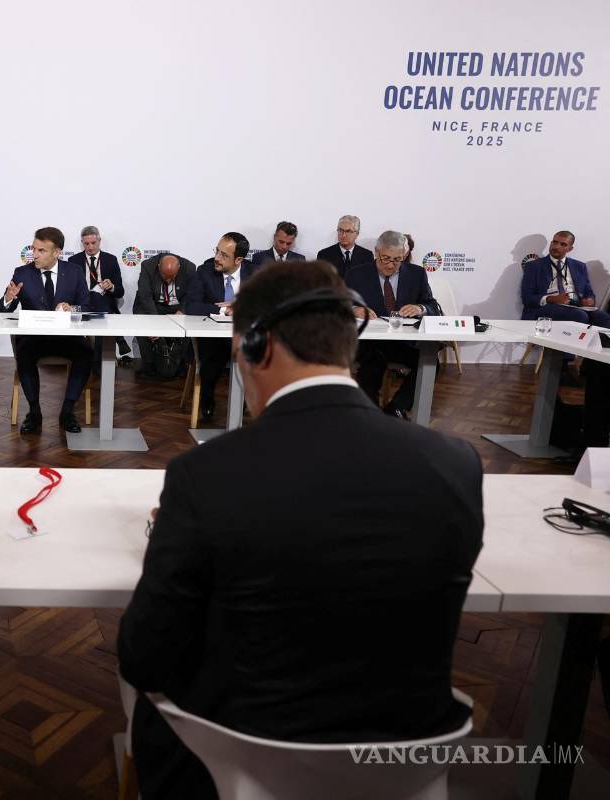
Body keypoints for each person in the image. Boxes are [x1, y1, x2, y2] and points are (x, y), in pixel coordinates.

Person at [118, 260, 483, 798]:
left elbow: (144, 655)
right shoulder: (456, 463)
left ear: (257, 345)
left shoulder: (205, 474)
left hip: (238, 763)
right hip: (404, 759)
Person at [0, 226, 91, 434]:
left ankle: (67, 411)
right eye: (34, 249)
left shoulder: (74, 272)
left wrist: (72, 308)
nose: (35, 255)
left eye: (41, 250)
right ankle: (34, 412)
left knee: (86, 353)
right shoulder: (22, 273)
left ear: (57, 252)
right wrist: (9, 298)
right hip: (35, 338)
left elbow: (86, 306)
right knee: (23, 352)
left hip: (66, 337)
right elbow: (2, 311)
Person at [347, 230, 442, 419]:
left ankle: (396, 409)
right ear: (376, 252)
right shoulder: (356, 274)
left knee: (430, 362)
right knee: (371, 365)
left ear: (405, 255)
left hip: (402, 342)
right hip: (369, 343)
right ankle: (371, 415)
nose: (391, 265)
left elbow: (433, 306)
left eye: (397, 260)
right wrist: (354, 309)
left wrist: (420, 308)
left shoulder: (417, 274)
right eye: (386, 258)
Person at [186, 232, 256, 422]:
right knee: (211, 359)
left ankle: (243, 401)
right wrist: (223, 310)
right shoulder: (205, 271)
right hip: (214, 338)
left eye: (224, 255)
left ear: (239, 259)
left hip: (245, 337)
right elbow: (192, 306)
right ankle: (207, 400)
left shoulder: (255, 273)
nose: (217, 258)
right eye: (217, 251)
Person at [520, 230, 610, 327]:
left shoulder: (579, 266)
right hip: (546, 306)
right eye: (555, 242)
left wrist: (589, 299)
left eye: (563, 244)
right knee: (580, 316)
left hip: (576, 306)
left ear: (570, 249)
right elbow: (527, 298)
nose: (556, 247)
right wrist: (552, 299)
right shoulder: (534, 266)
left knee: (604, 318)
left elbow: (588, 291)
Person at [67, 225, 130, 362]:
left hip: (104, 303)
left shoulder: (111, 260)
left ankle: (98, 364)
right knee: (94, 298)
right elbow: (68, 289)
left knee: (98, 298)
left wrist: (111, 286)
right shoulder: (73, 261)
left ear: (99, 241)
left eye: (93, 243)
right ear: (82, 243)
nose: (90, 247)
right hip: (82, 304)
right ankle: (120, 339)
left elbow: (120, 291)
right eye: (86, 244)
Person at [133, 253, 192, 379]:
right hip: (153, 305)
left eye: (172, 277)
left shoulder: (189, 268)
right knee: (142, 320)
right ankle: (149, 364)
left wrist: (181, 311)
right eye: (165, 276)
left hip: (176, 307)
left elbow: (192, 294)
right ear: (158, 266)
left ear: (179, 268)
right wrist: (156, 325)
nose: (168, 280)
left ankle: (179, 363)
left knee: (188, 322)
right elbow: (145, 296)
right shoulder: (148, 266)